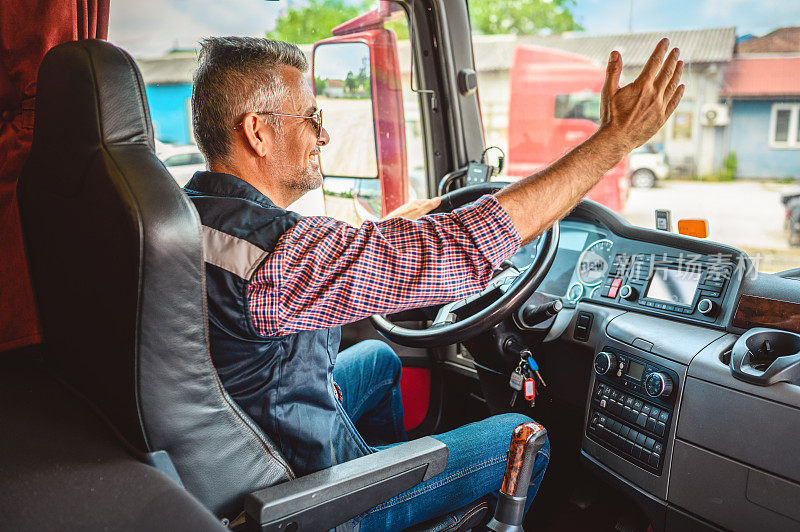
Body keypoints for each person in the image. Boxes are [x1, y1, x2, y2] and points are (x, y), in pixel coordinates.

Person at [184, 36, 683, 530]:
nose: (323, 137)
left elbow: (310, 264)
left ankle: (394, 487)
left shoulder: (190, 218)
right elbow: (463, 248)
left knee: (379, 362)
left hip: (240, 444)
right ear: (257, 132)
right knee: (523, 434)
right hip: (303, 499)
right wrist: (614, 140)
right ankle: (373, 503)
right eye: (312, 118)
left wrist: (382, 237)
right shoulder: (278, 257)